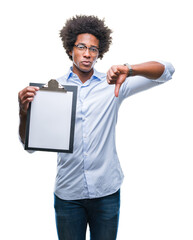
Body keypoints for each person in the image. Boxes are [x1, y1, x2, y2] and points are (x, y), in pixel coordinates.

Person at [18, 15, 175, 240]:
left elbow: (167, 71)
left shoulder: (113, 83)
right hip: (68, 195)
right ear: (70, 48)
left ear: (99, 53)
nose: (88, 53)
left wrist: (129, 69)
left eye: (94, 49)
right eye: (81, 47)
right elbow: (30, 146)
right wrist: (23, 113)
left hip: (106, 193)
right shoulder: (52, 91)